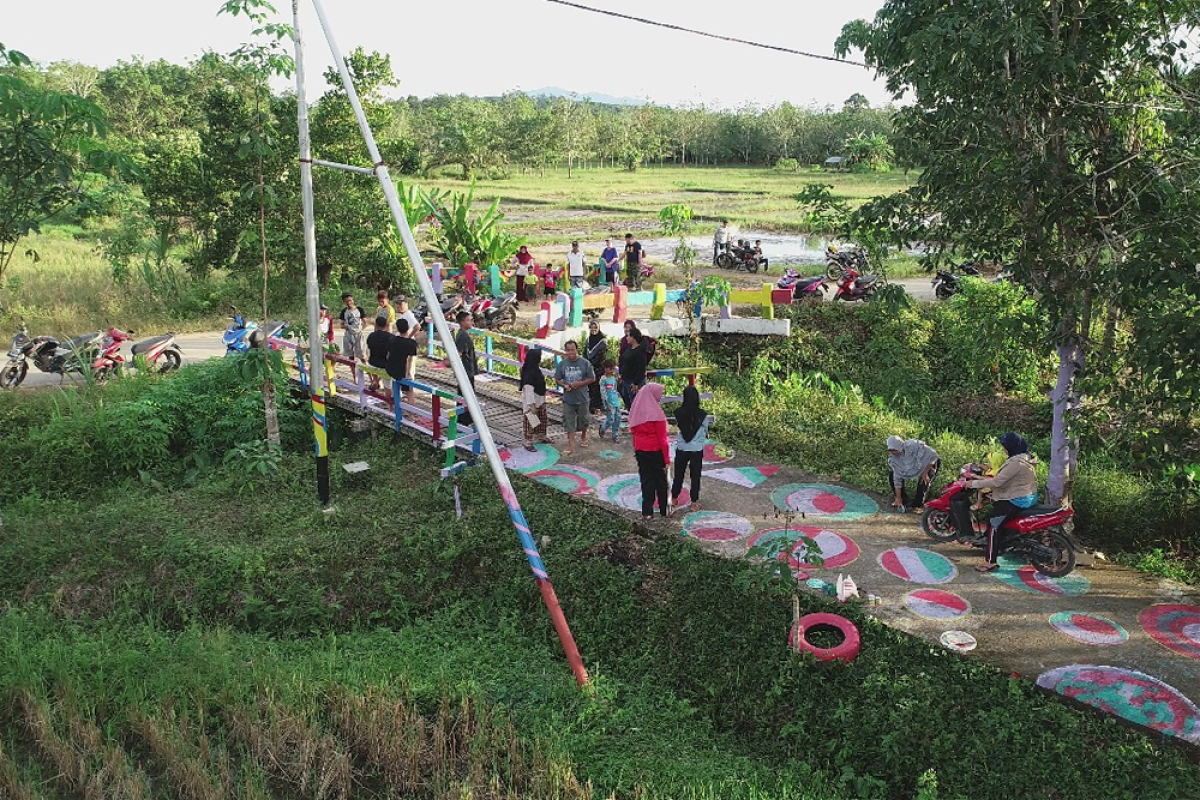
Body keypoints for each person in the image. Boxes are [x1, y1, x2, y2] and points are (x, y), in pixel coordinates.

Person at [950, 432, 1039, 573]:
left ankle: (990, 562)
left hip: (1017, 499)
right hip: (1025, 495)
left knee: (993, 524)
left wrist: (973, 483)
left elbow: (997, 481)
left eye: (1005, 446)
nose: (1004, 449)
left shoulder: (1016, 462)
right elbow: (1011, 480)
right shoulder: (1025, 458)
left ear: (1012, 446)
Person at [629, 383, 671, 520]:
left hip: (641, 450)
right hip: (656, 451)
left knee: (646, 480)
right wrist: (666, 460)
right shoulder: (657, 415)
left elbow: (633, 431)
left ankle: (647, 512)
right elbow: (662, 440)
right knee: (661, 482)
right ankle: (664, 509)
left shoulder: (636, 412)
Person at [672, 385, 714, 511]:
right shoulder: (703, 415)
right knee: (695, 476)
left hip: (682, 448)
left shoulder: (678, 412)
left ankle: (673, 499)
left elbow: (680, 427)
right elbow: (705, 431)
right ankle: (694, 503)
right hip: (696, 449)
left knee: (678, 474)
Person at [553, 340, 595, 455]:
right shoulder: (563, 364)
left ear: (577, 350)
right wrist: (564, 385)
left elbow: (592, 378)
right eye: (568, 350)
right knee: (569, 421)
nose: (571, 352)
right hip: (568, 398)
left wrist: (579, 383)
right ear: (566, 351)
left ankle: (583, 436)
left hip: (582, 398)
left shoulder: (585, 363)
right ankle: (571, 445)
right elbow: (557, 378)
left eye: (573, 350)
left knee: (584, 420)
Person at [886, 435, 941, 511]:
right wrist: (898, 498)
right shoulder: (894, 458)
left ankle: (920, 501)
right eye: (891, 451)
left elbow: (934, 456)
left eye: (895, 450)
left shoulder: (913, 445)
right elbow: (897, 479)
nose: (894, 453)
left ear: (899, 446)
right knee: (892, 476)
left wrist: (925, 473)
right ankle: (903, 500)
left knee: (923, 484)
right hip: (914, 466)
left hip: (929, 464)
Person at [519, 347, 550, 450]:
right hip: (531, 402)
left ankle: (541, 436)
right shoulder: (529, 373)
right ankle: (528, 441)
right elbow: (528, 391)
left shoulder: (535, 370)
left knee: (542, 419)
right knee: (531, 422)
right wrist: (532, 405)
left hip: (540, 399)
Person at [386, 318, 417, 411]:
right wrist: (408, 374)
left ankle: (394, 409)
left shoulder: (392, 339)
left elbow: (388, 354)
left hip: (392, 368)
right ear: (408, 328)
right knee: (409, 392)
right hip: (403, 370)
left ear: (397, 328)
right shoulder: (411, 343)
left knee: (395, 388)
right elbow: (409, 360)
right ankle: (411, 415)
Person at [454, 310, 477, 427]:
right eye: (469, 320)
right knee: (466, 396)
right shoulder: (463, 336)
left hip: (465, 370)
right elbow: (458, 353)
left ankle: (462, 420)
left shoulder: (461, 333)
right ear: (462, 322)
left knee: (463, 395)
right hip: (466, 371)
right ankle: (464, 421)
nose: (471, 322)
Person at [618, 328, 649, 409]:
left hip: (634, 382)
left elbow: (641, 368)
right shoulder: (629, 348)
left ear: (633, 337)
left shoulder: (640, 351)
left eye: (628, 336)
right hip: (626, 379)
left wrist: (636, 383)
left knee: (636, 404)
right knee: (628, 402)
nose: (626, 338)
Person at [584, 320, 608, 414]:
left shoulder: (602, 342)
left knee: (596, 388)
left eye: (595, 327)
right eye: (591, 327)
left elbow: (601, 357)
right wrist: (586, 364)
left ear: (599, 328)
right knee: (588, 388)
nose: (593, 329)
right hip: (589, 368)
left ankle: (597, 407)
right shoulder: (588, 340)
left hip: (598, 369)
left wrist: (591, 365)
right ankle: (590, 406)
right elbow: (585, 354)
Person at [365, 314, 393, 392]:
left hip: (372, 363)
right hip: (385, 365)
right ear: (386, 325)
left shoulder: (371, 335)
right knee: (388, 386)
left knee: (373, 365)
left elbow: (368, 349)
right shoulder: (391, 337)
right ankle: (389, 400)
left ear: (376, 325)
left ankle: (375, 380)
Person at [598, 359, 622, 443]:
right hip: (609, 402)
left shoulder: (613, 379)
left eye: (612, 368)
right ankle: (603, 428)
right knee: (610, 419)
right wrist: (606, 403)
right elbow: (603, 392)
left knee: (618, 418)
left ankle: (615, 435)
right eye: (609, 368)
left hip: (616, 401)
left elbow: (615, 390)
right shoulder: (603, 379)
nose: (611, 370)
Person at [339, 292, 366, 362]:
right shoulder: (344, 311)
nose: (348, 302)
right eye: (346, 301)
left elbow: (365, 322)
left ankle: (369, 372)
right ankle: (354, 373)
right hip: (348, 335)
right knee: (350, 357)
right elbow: (341, 325)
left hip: (358, 334)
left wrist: (360, 329)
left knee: (362, 356)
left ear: (353, 300)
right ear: (344, 302)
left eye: (350, 300)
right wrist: (346, 327)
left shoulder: (359, 309)